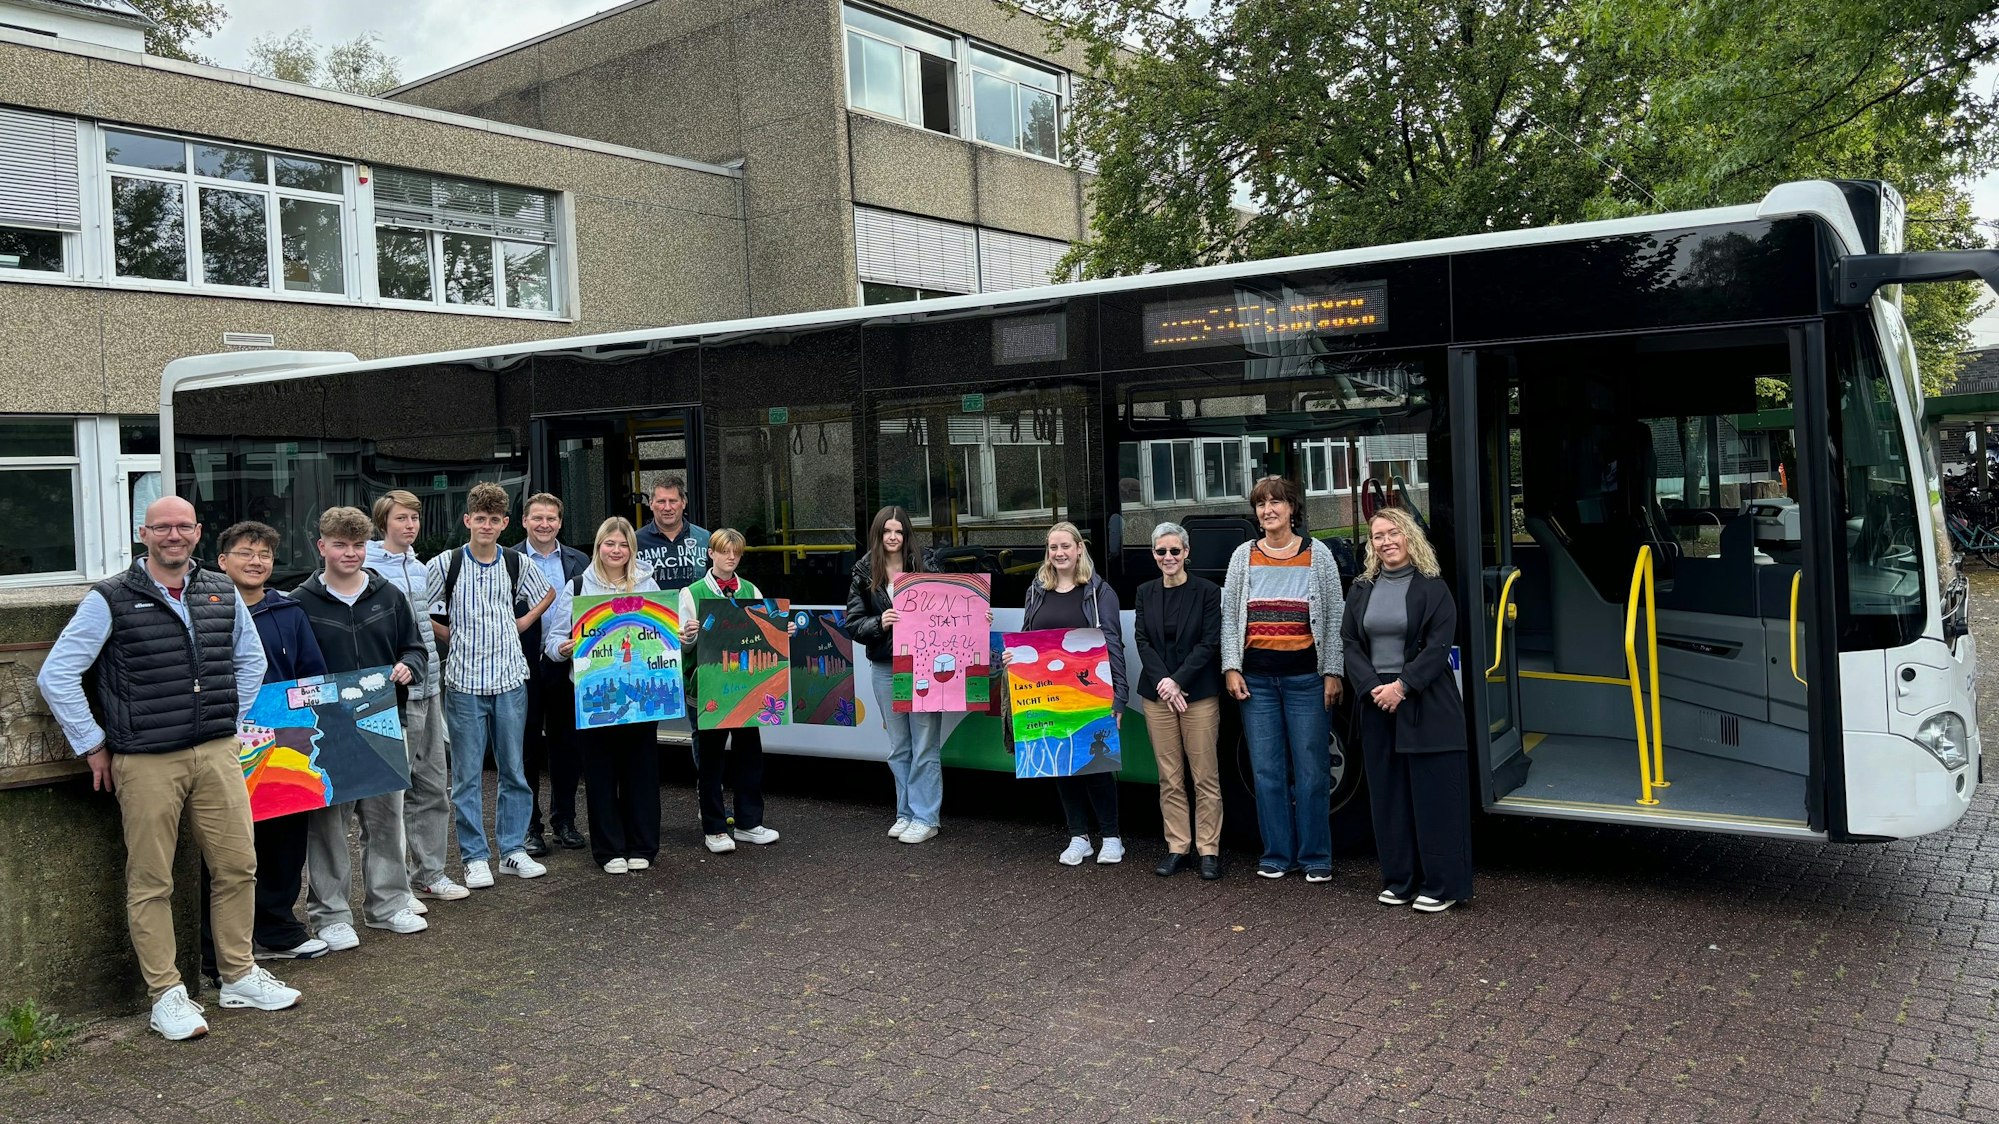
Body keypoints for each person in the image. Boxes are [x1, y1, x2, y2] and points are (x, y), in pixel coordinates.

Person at [36, 496, 301, 1041]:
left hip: (216, 751)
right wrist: (92, 744)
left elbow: (250, 659)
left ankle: (238, 974)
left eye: (183, 526)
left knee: (237, 866)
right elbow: (57, 674)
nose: (173, 535)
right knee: (151, 880)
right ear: (144, 534)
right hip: (145, 760)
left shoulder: (220, 590)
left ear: (198, 532)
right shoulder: (110, 597)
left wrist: (228, 716)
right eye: (162, 527)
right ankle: (166, 995)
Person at [293, 507, 430, 948]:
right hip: (326, 729)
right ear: (322, 547)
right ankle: (331, 914)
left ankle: (388, 905)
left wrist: (409, 666)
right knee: (328, 824)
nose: (349, 553)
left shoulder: (388, 595)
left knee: (386, 817)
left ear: (367, 547)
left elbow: (416, 649)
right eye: (340, 544)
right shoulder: (299, 602)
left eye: (357, 545)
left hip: (382, 722)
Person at [201, 521, 331, 971]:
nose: (257, 562)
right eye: (246, 553)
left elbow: (311, 673)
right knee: (227, 843)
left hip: (284, 743)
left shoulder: (289, 611)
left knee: (286, 840)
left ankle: (277, 930)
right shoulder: (205, 609)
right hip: (222, 739)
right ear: (222, 561)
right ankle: (216, 945)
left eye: (265, 555)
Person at [1343, 506, 1473, 912]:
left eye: (1393, 533)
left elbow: (1437, 648)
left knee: (1434, 797)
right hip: (1376, 703)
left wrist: (1401, 686)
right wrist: (1372, 688)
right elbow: (1350, 643)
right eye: (1378, 535)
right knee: (1389, 796)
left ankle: (1441, 886)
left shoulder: (1433, 588)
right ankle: (1400, 880)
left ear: (1409, 537)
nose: (1386, 542)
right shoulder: (1362, 587)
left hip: (1425, 703)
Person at [426, 482, 555, 887]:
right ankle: (475, 856)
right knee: (466, 775)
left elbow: (548, 593)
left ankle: (513, 850)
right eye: (479, 518)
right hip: (464, 681)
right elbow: (421, 607)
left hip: (510, 680)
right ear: (468, 521)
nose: (486, 525)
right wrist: (450, 636)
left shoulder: (516, 563)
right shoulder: (446, 564)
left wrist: (522, 623)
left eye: (493, 520)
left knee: (514, 769)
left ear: (503, 524)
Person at [1220, 475, 1346, 883]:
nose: (1268, 510)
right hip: (1257, 682)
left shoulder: (1319, 554)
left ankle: (1315, 857)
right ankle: (1277, 853)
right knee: (1267, 772)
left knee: (1311, 772)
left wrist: (1333, 671)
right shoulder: (1243, 556)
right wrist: (1231, 667)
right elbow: (1230, 616)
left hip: (1307, 680)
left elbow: (1334, 616)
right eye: (1261, 504)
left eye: (1276, 502)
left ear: (1292, 508)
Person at [542, 517, 663, 874]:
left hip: (642, 697)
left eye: (623, 545)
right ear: (598, 547)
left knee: (641, 772)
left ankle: (642, 844)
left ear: (632, 549)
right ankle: (609, 849)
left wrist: (681, 636)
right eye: (609, 543)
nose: (616, 550)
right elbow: (553, 642)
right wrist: (564, 649)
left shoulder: (648, 583)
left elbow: (663, 635)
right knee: (600, 773)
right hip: (594, 697)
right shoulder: (577, 586)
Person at [365, 490, 465, 904]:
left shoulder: (421, 567)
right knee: (391, 794)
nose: (410, 526)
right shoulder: (369, 568)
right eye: (402, 519)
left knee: (433, 785)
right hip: (392, 696)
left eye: (415, 519)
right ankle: (395, 884)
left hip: (430, 686)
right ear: (383, 522)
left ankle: (431, 872)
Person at [1015, 522, 1128, 866]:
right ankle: (1078, 836)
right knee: (1061, 765)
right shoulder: (1037, 590)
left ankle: (1111, 837)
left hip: (1091, 691)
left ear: (1080, 548)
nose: (1059, 553)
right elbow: (1027, 637)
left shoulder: (1098, 592)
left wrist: (1119, 696)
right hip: (1049, 694)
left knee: (1097, 764)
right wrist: (1013, 656)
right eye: (1053, 547)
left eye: (1066, 546)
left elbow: (1113, 644)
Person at [678, 528, 786, 854]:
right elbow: (683, 646)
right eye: (724, 551)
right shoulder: (691, 593)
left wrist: (783, 631)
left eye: (736, 552)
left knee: (749, 755)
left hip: (745, 686)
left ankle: (748, 823)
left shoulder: (750, 588)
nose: (730, 557)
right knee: (711, 761)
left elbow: (762, 633)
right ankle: (713, 828)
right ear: (710, 553)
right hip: (709, 688)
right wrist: (688, 637)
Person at [846, 505, 945, 844]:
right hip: (887, 667)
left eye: (898, 531)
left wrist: (977, 619)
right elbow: (853, 623)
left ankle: (926, 817)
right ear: (878, 534)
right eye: (886, 531)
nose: (892, 537)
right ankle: (906, 813)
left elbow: (951, 607)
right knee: (899, 746)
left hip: (926, 667)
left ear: (907, 535)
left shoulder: (926, 563)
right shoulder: (863, 570)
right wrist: (879, 622)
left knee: (925, 745)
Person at [1133, 521, 1224, 880]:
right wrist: (1164, 683)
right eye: (1161, 551)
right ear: (1153, 555)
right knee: (1169, 777)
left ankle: (1209, 850)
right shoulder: (1145, 592)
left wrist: (1178, 680)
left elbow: (1209, 642)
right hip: (1159, 697)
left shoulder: (1207, 592)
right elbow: (1142, 641)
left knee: (1205, 776)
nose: (1168, 557)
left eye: (1175, 550)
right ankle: (1177, 847)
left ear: (1187, 553)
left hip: (1197, 695)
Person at [514, 492, 586, 857]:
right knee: (526, 747)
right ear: (525, 521)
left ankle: (565, 821)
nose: (545, 524)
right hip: (521, 665)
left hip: (564, 664)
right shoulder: (508, 560)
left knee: (566, 746)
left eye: (552, 518)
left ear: (560, 522)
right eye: (538, 518)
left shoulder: (579, 561)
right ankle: (530, 827)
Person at [635, 474, 709, 591]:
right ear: (651, 504)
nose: (668, 507)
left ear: (683, 503)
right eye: (661, 501)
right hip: (654, 608)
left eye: (673, 501)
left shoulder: (704, 538)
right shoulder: (635, 541)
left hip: (696, 608)